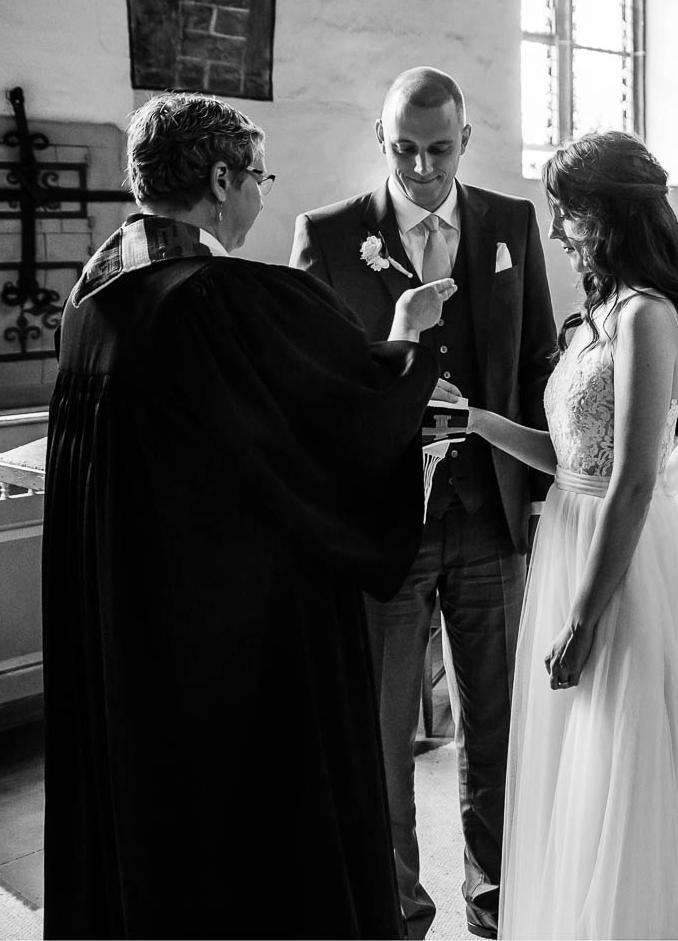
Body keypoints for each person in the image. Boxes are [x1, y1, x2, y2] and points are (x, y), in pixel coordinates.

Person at [45, 92, 452, 937]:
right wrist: (410, 343)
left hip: (128, 637)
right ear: (221, 179)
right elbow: (347, 420)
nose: (264, 194)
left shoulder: (90, 306)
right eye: (259, 176)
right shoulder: (228, 296)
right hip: (241, 647)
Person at [461, 131, 678, 938]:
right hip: (572, 535)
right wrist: (474, 422)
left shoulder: (648, 317)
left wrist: (583, 615)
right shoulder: (593, 318)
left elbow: (635, 479)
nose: (554, 229)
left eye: (566, 212)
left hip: (628, 559)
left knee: (629, 762)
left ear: (607, 214)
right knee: (579, 768)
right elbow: (571, 460)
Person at [291, 66, 555, 939]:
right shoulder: (328, 238)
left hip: (490, 521)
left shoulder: (512, 224)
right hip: (383, 528)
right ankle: (397, 916)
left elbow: (538, 366)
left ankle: (498, 906)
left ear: (466, 141)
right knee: (383, 740)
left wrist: (552, 494)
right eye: (403, 147)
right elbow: (312, 390)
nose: (420, 165)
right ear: (381, 138)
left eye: (439, 148)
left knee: (500, 732)